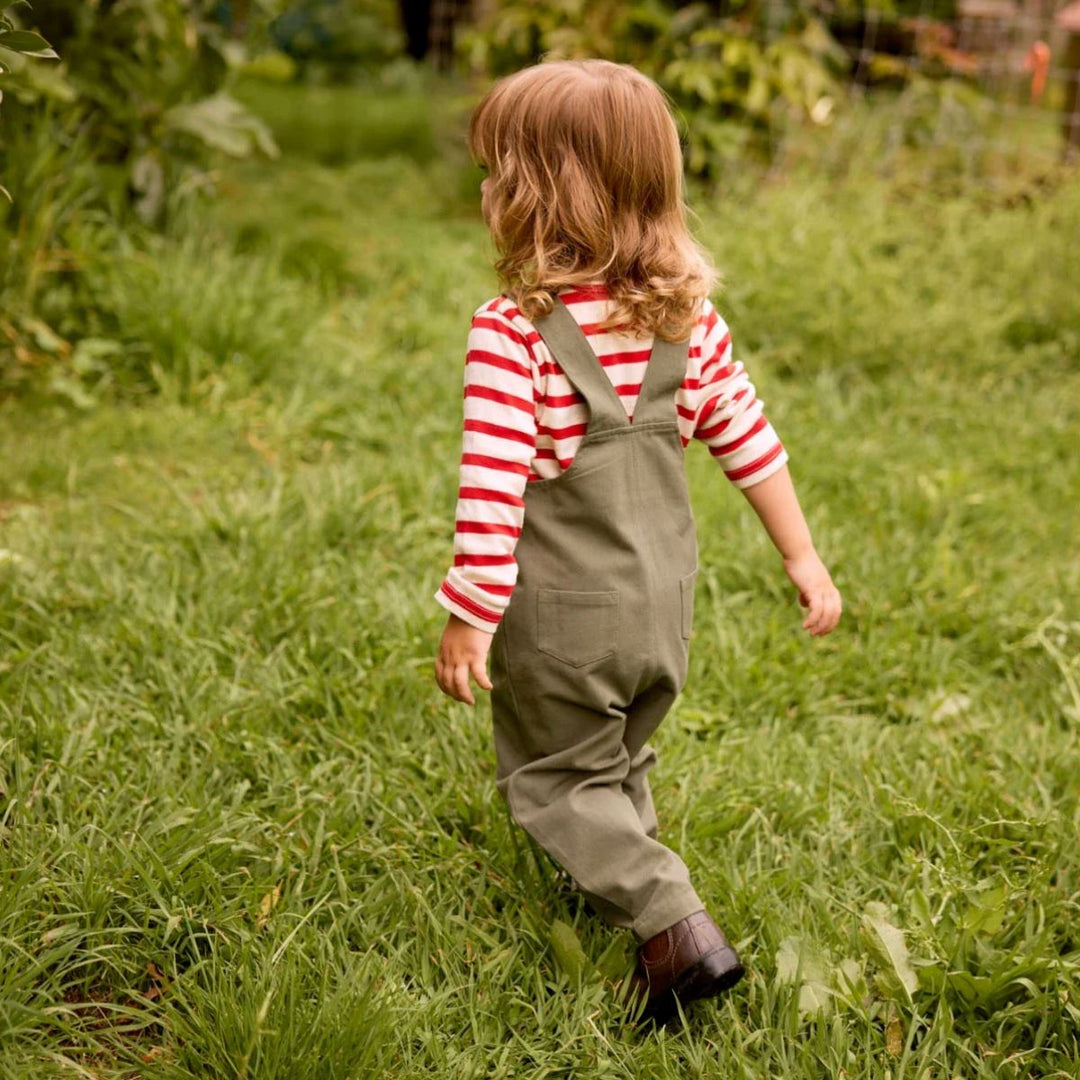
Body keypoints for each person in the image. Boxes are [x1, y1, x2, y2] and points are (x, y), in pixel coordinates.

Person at [433, 58, 842, 1025]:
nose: (485, 190)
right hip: (664, 608)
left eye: (498, 173)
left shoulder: (515, 334)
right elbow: (749, 439)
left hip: (565, 617)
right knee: (618, 755)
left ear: (535, 200)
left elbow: (491, 488)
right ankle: (633, 900)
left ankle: (671, 921)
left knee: (551, 775)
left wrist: (471, 617)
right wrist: (802, 556)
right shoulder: (685, 322)